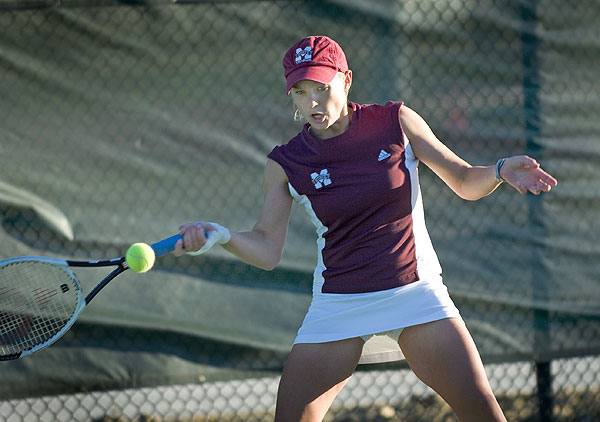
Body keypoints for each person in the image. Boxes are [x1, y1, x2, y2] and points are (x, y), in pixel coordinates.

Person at [173, 35, 558, 422]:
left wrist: (497, 171)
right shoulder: (286, 162)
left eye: (321, 88)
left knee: (483, 412)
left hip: (414, 293)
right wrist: (221, 235)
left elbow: (461, 179)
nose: (312, 103)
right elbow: (267, 247)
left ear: (346, 80)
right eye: (300, 91)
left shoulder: (395, 122)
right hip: (339, 302)